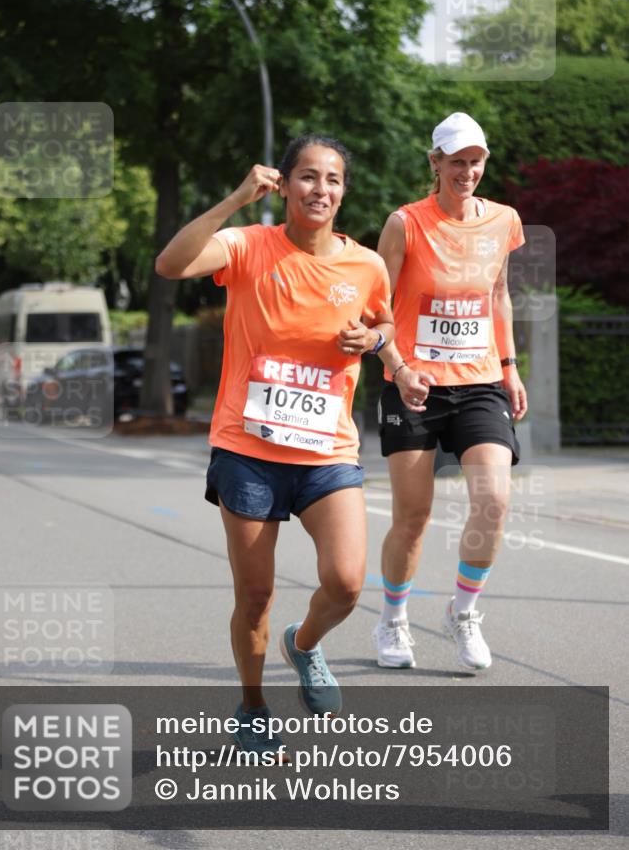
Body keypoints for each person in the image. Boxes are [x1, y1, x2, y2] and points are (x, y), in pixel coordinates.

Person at [156, 135, 393, 756]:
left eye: (333, 179)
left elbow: (385, 323)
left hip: (327, 451)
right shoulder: (247, 245)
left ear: (344, 192)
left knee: (346, 583)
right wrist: (236, 199)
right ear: (283, 185)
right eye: (308, 176)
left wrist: (372, 341)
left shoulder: (366, 265)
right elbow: (171, 265)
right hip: (248, 449)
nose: (321, 189)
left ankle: (305, 644)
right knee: (255, 595)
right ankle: (254, 707)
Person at [373, 112, 528, 673]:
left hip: (481, 382)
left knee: (494, 499)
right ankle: (393, 618)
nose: (468, 171)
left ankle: (463, 612)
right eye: (457, 161)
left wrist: (509, 366)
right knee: (413, 516)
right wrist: (397, 367)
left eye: (476, 161)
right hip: (414, 384)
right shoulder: (405, 224)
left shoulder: (504, 220)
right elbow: (376, 308)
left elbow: (499, 294)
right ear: (435, 163)